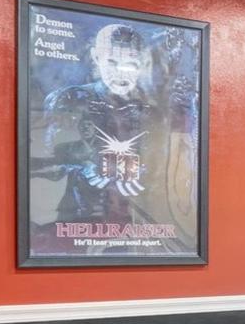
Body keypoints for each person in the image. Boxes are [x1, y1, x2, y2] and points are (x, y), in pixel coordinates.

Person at [41, 22, 160, 225]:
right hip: (78, 215)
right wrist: (87, 165)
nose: (121, 73)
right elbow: (53, 152)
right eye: (112, 62)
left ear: (141, 64)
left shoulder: (149, 111)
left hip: (133, 217)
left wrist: (142, 171)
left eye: (131, 64)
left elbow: (158, 161)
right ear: (96, 57)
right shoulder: (71, 99)